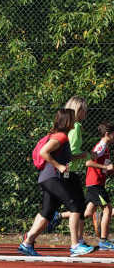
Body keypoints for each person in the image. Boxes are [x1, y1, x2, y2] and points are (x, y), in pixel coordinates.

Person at [19, 108, 95, 257]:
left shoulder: (61, 136)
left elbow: (65, 156)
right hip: (51, 178)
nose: (76, 120)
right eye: (73, 118)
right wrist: (59, 166)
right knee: (75, 206)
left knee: (47, 213)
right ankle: (75, 246)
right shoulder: (60, 137)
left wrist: (83, 155)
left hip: (49, 178)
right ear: (68, 121)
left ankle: (27, 244)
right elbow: (44, 152)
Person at [52, 96, 90, 234]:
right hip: (68, 171)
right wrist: (85, 155)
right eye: (84, 110)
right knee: (77, 207)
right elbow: (71, 152)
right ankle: (77, 241)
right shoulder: (76, 127)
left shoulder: (72, 127)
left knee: (79, 206)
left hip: (68, 170)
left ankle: (79, 240)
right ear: (77, 110)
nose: (85, 113)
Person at [83, 122, 114, 250]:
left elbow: (101, 165)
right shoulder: (101, 146)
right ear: (107, 134)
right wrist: (106, 167)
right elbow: (88, 162)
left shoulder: (105, 147)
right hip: (95, 183)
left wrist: (108, 170)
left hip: (96, 182)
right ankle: (103, 241)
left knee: (87, 213)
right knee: (108, 209)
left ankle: (57, 216)